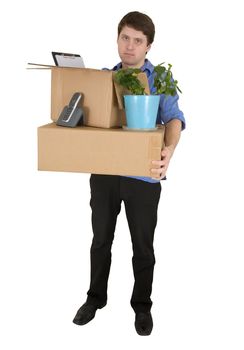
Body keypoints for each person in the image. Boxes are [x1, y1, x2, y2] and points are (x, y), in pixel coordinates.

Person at [73, 11, 186, 336]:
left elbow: (174, 117)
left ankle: (142, 307)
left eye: (138, 41)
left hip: (144, 177)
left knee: (143, 246)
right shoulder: (105, 78)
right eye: (126, 38)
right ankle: (94, 300)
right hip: (105, 175)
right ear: (117, 38)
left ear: (148, 46)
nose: (130, 46)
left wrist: (170, 151)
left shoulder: (160, 79)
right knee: (100, 240)